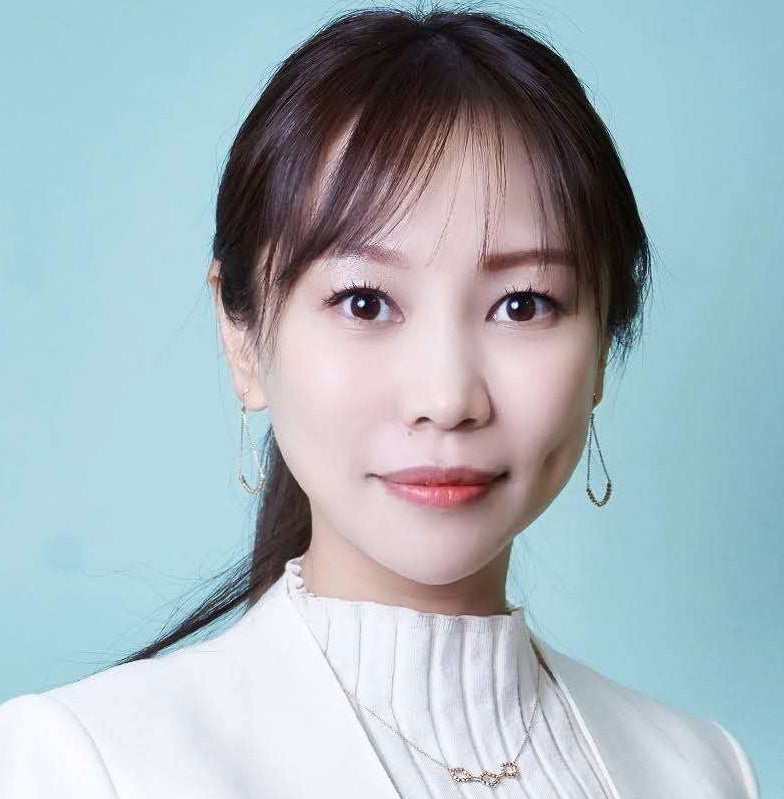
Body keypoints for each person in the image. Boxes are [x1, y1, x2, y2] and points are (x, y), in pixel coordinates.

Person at [0, 5, 760, 797]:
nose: (447, 398)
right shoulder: (87, 763)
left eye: (524, 303)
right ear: (242, 338)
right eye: (365, 302)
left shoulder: (702, 770)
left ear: (602, 344)